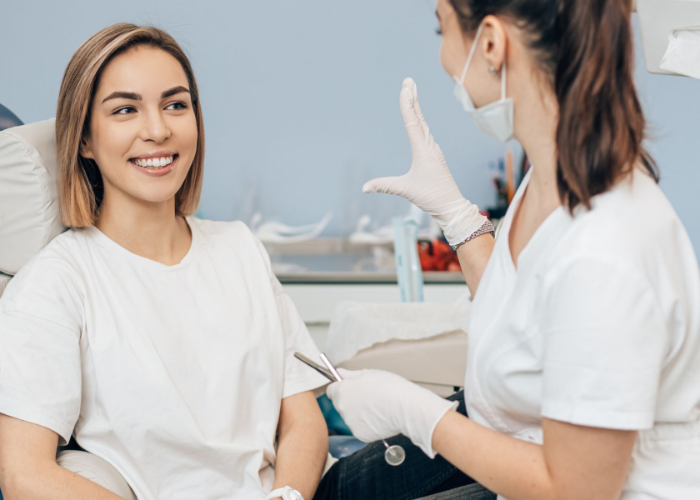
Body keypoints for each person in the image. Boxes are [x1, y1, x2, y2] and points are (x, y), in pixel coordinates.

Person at [320, 0, 700, 499]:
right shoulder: (548, 181)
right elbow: (521, 316)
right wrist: (456, 216)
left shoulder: (606, 246)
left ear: (493, 43)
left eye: (443, 28)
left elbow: (578, 490)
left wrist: (419, 415)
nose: (442, 56)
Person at [0, 24, 331, 500]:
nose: (158, 130)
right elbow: (24, 476)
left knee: (463, 433)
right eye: (125, 110)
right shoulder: (55, 285)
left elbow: (304, 420)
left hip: (301, 493)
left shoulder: (239, 249)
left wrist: (288, 496)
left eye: (176, 104)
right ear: (84, 140)